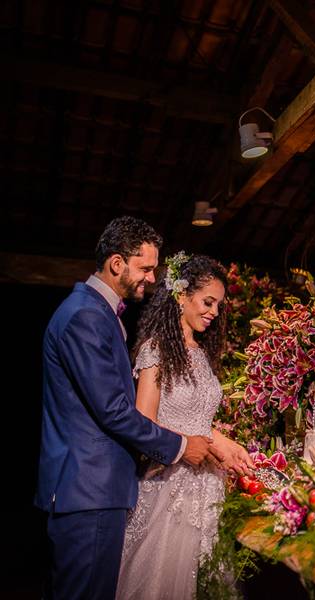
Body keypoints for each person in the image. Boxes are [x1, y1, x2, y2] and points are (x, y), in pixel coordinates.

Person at [36, 216, 217, 600]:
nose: (152, 279)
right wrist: (182, 446)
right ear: (117, 263)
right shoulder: (85, 315)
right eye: (146, 268)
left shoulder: (101, 315)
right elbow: (114, 411)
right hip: (89, 491)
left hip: (96, 491)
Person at [116, 253, 254, 600]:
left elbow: (199, 420)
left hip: (208, 487)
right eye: (208, 302)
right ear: (181, 296)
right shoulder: (156, 350)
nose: (214, 312)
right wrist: (201, 444)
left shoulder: (202, 355)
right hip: (169, 487)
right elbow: (144, 426)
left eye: (219, 306)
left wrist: (226, 444)